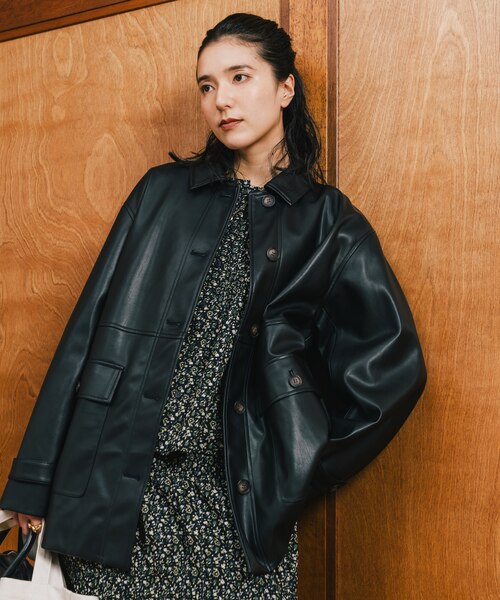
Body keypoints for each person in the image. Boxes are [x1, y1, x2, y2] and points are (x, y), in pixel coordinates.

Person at [0, 12, 426, 600]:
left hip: (238, 507)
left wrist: (299, 466)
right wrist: (33, 481)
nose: (221, 99)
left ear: (285, 87)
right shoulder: (160, 193)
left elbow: (391, 369)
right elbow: (86, 334)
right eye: (207, 85)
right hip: (120, 495)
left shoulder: (329, 222)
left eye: (239, 77)